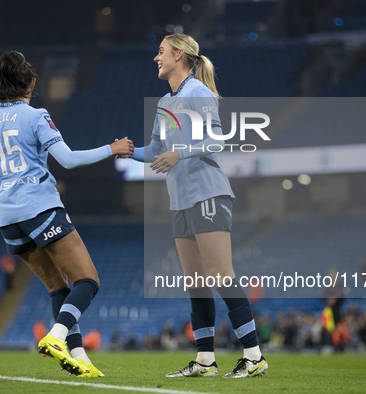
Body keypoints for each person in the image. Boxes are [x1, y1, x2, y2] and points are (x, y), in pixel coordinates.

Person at [0, 50, 134, 377]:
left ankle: (79, 357)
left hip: (7, 219)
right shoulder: (36, 116)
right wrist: (112, 149)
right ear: (32, 82)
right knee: (89, 280)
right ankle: (56, 336)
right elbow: (67, 160)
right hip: (40, 208)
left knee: (59, 289)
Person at [126, 33, 267, 378]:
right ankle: (205, 361)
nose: (155, 58)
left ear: (179, 55)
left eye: (160, 52)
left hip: (208, 193)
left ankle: (254, 357)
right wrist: (128, 151)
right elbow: (157, 150)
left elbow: (217, 138)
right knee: (196, 283)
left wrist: (180, 152)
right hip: (181, 201)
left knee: (222, 275)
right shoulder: (164, 103)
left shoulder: (199, 93)